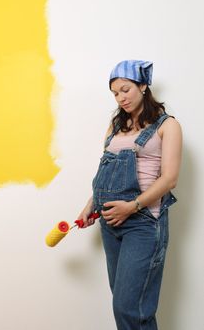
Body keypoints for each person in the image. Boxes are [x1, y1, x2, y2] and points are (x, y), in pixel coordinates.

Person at [76, 60, 182, 330]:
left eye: (125, 89)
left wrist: (132, 206)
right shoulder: (115, 127)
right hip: (110, 223)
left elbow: (169, 179)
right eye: (115, 93)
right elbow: (105, 170)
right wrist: (91, 205)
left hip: (144, 223)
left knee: (129, 307)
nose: (120, 98)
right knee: (128, 306)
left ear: (143, 86)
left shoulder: (167, 125)